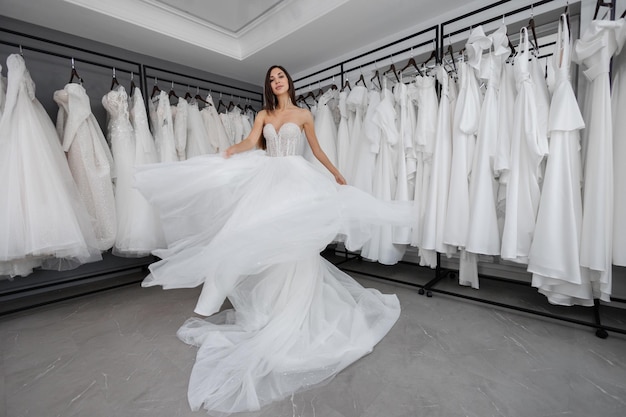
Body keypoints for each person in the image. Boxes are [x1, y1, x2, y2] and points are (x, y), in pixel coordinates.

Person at [134, 65, 414, 415]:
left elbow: (316, 150)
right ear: (269, 86)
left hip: (295, 180)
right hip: (267, 179)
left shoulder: (305, 114)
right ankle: (271, 309)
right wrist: (231, 151)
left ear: (288, 82)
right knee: (258, 241)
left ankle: (297, 307)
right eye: (271, 78)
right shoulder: (264, 114)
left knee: (294, 245)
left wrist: (337, 173)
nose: (276, 81)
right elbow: (253, 141)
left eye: (280, 76)